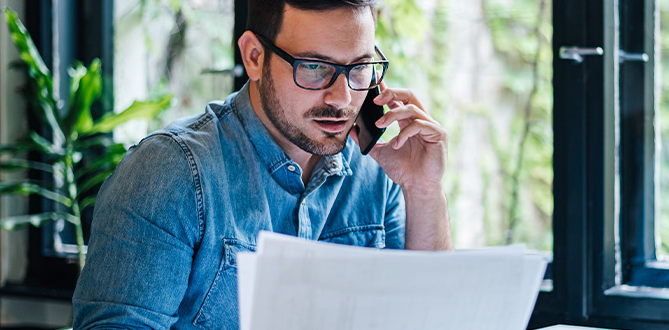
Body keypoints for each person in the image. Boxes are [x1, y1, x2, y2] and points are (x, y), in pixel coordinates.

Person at [72, 0, 451, 328]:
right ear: (255, 57)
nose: (343, 97)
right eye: (315, 67)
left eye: (359, 68)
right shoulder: (171, 174)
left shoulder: (378, 174)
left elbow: (431, 319)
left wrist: (424, 190)